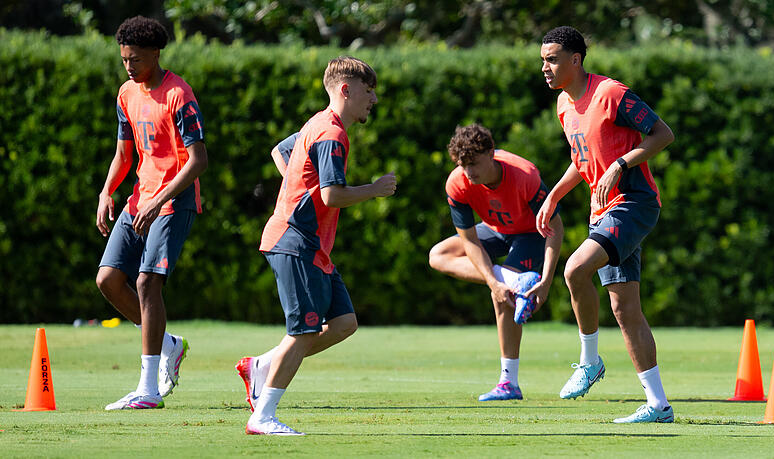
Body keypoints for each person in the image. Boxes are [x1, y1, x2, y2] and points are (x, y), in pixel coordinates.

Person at [235, 56, 397, 435]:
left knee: (343, 323)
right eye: (368, 91)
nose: (373, 99)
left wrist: (295, 184)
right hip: (296, 241)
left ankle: (262, 366)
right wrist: (374, 190)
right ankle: (263, 416)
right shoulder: (332, 133)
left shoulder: (319, 123)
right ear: (345, 90)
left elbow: (281, 151)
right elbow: (331, 195)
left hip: (311, 246)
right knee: (304, 330)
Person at [536, 26, 675, 423]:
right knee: (624, 308)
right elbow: (583, 160)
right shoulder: (564, 104)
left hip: (634, 203)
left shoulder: (611, 93)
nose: (544, 67)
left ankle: (589, 361)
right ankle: (658, 405)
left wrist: (621, 164)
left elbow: (663, 134)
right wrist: (553, 195)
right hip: (603, 210)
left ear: (575, 60)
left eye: (552, 59)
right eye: (543, 60)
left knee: (575, 268)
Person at [95, 16, 207, 410]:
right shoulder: (127, 93)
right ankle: (168, 344)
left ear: (155, 54)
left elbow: (198, 160)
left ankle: (148, 390)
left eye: (135, 59)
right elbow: (125, 153)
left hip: (174, 202)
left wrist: (159, 200)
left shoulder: (179, 94)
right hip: (139, 200)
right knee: (108, 280)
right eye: (124, 59)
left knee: (146, 283)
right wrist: (107, 191)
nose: (128, 66)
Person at [429, 124, 563, 401]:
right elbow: (469, 242)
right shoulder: (457, 183)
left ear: (492, 153)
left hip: (531, 233)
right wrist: (495, 280)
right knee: (437, 255)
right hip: (495, 229)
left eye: (475, 163)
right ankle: (513, 281)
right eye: (463, 165)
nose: (469, 172)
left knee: (502, 299)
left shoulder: (525, 175)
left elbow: (555, 229)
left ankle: (508, 383)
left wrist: (546, 282)